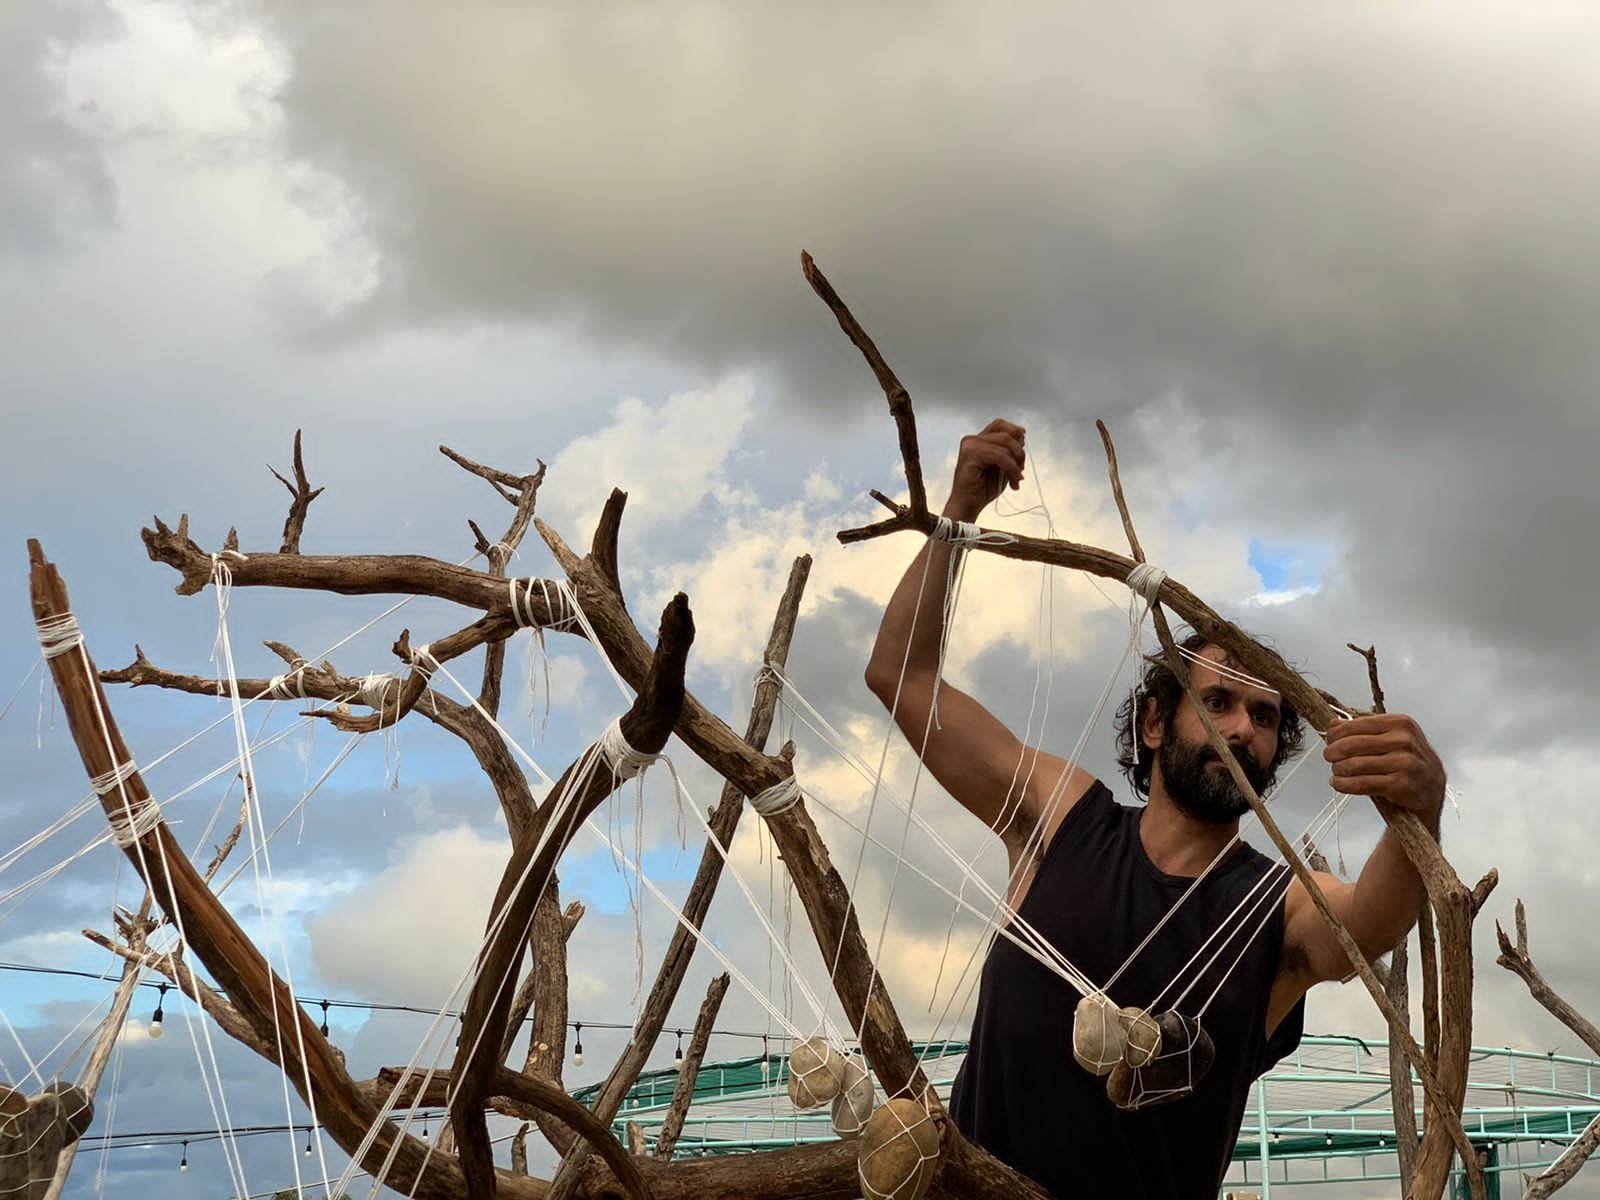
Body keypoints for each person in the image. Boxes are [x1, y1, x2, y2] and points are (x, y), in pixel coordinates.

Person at [864, 419, 1445, 1198]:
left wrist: (1421, 805)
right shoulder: (1062, 818)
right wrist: (957, 513)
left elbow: (1369, 920)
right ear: (1154, 721)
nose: (1242, 728)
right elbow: (905, 680)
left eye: (1266, 718)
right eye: (1218, 702)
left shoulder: (1272, 909)